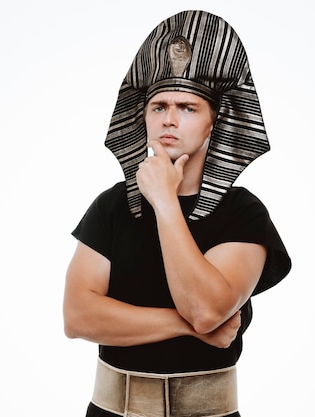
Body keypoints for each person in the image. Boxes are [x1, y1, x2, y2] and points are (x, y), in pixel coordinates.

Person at [63, 10, 292, 417]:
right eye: (158, 106)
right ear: (143, 116)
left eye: (187, 108)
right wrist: (186, 327)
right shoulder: (113, 206)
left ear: (213, 122)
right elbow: (78, 316)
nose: (169, 118)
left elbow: (204, 306)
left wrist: (166, 202)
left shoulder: (243, 213)